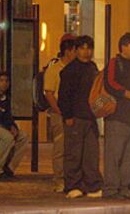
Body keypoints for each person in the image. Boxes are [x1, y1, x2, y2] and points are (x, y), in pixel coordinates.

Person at [58, 35, 103, 199]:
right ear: (76, 50)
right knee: (73, 153)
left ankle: (92, 184)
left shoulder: (92, 67)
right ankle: (72, 185)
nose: (86, 52)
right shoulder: (69, 70)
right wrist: (67, 115)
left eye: (89, 48)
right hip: (75, 117)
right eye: (83, 48)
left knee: (91, 153)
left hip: (91, 117)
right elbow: (63, 96)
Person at [103, 33, 130, 199]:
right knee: (114, 155)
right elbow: (110, 83)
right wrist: (129, 94)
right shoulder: (115, 63)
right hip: (118, 117)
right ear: (124, 47)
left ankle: (123, 187)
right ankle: (111, 188)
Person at [43, 33, 77, 192]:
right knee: (60, 148)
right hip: (59, 114)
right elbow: (49, 93)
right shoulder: (55, 69)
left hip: (75, 113)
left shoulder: (77, 69)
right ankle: (59, 180)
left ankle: (72, 178)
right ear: (68, 51)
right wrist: (59, 111)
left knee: (73, 148)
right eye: (75, 49)